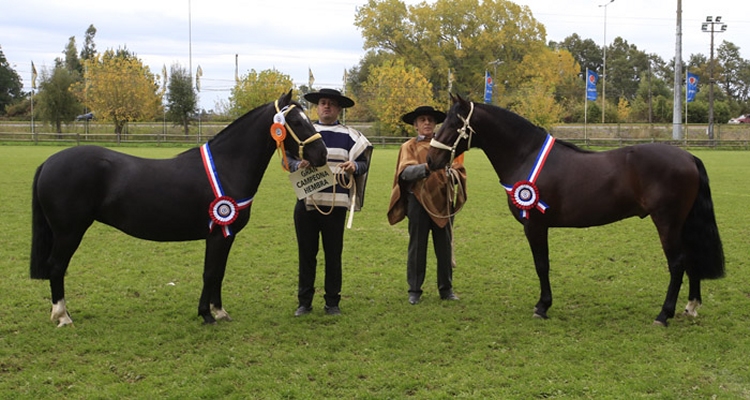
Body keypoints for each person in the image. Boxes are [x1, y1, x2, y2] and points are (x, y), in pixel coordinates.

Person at [288, 88, 372, 317]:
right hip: (307, 203)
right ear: (317, 106)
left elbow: (364, 161)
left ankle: (332, 302)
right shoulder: (305, 132)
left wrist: (355, 166)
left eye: (331, 104)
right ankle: (304, 302)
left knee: (333, 255)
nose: (326, 107)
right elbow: (289, 158)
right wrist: (297, 166)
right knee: (306, 254)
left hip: (335, 206)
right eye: (323, 103)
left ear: (338, 109)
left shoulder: (351, 136)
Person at [387, 105, 467, 305]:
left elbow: (459, 169)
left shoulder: (447, 146)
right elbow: (404, 173)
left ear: (436, 124)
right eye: (422, 120)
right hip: (418, 201)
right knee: (417, 247)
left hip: (443, 201)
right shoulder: (409, 146)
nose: (427, 123)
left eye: (430, 120)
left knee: (444, 248)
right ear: (415, 125)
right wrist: (427, 168)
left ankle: (446, 289)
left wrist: (453, 174)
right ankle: (414, 289)